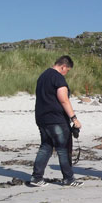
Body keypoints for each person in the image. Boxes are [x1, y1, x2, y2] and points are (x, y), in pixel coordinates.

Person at [29, 55, 83, 187]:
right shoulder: (58, 77)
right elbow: (64, 99)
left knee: (46, 146)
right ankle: (68, 178)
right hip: (56, 119)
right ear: (63, 66)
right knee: (63, 148)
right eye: (67, 70)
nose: (66, 73)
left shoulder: (42, 76)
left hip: (42, 118)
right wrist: (74, 118)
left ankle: (36, 177)